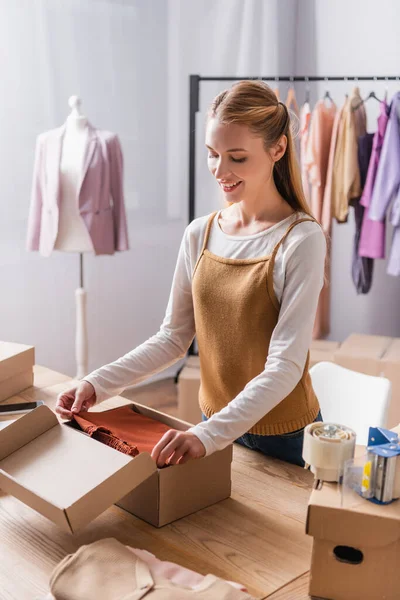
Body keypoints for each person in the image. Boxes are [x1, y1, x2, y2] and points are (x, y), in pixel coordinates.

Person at [56, 81, 326, 469]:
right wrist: (98, 383)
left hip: (284, 436)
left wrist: (208, 435)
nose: (221, 170)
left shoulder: (301, 240)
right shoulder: (200, 233)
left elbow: (285, 366)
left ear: (277, 149)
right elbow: (173, 338)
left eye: (237, 157)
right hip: (211, 425)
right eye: (212, 154)